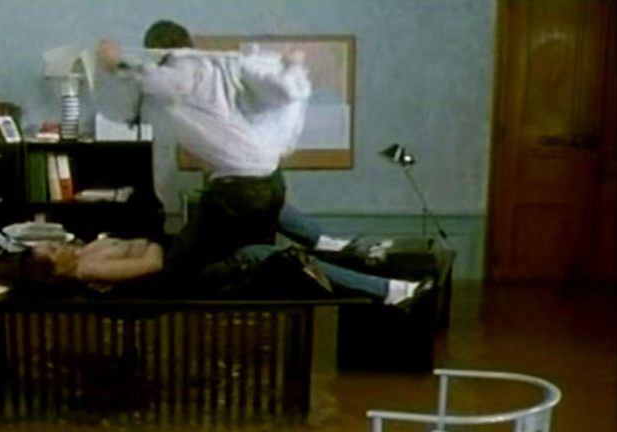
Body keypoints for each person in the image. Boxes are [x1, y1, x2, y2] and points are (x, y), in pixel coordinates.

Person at [98, 20, 353, 274]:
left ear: (156, 52)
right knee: (255, 248)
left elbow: (148, 81)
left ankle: (315, 263)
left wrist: (114, 63)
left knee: (184, 263)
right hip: (271, 180)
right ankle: (325, 246)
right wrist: (292, 66)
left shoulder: (180, 73)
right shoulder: (220, 69)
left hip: (239, 189)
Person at [21, 237, 429, 307]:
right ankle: (389, 289)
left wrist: (136, 244)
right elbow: (152, 259)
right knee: (286, 258)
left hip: (195, 263)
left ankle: (383, 282)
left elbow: (135, 245)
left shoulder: (85, 255)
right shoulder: (90, 267)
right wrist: (145, 244)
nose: (59, 244)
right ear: (54, 270)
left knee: (292, 254)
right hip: (203, 277)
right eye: (53, 250)